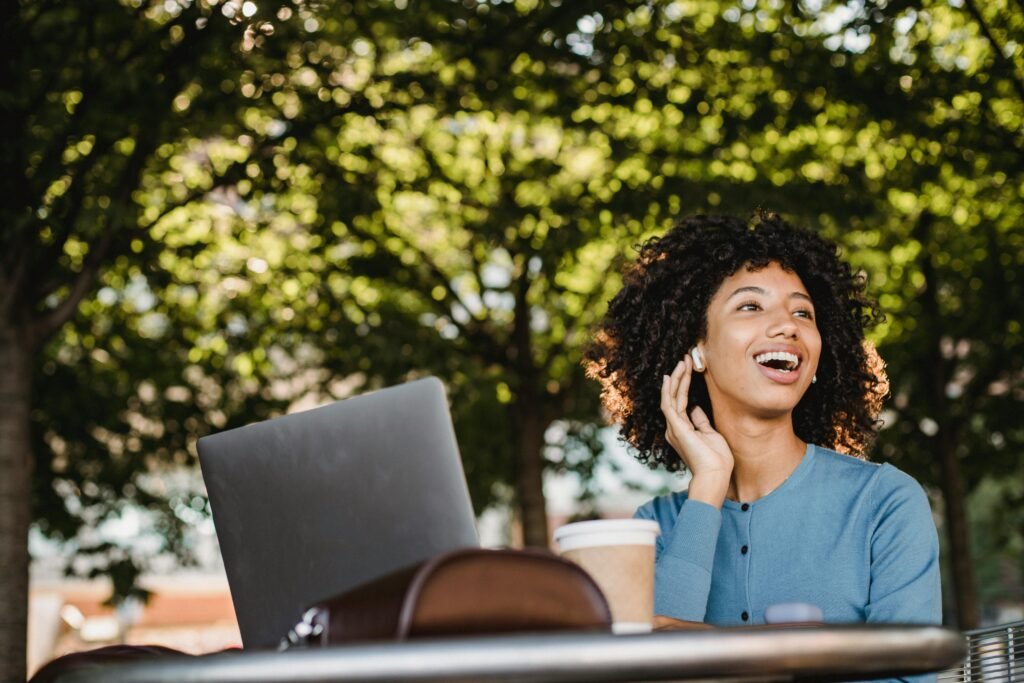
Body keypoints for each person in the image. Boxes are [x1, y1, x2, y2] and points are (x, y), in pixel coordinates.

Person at [584, 211, 941, 636]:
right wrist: (710, 485)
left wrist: (726, 657)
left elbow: (907, 676)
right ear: (697, 348)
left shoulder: (885, 503)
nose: (787, 326)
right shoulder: (658, 526)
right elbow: (652, 671)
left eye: (804, 314)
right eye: (750, 306)